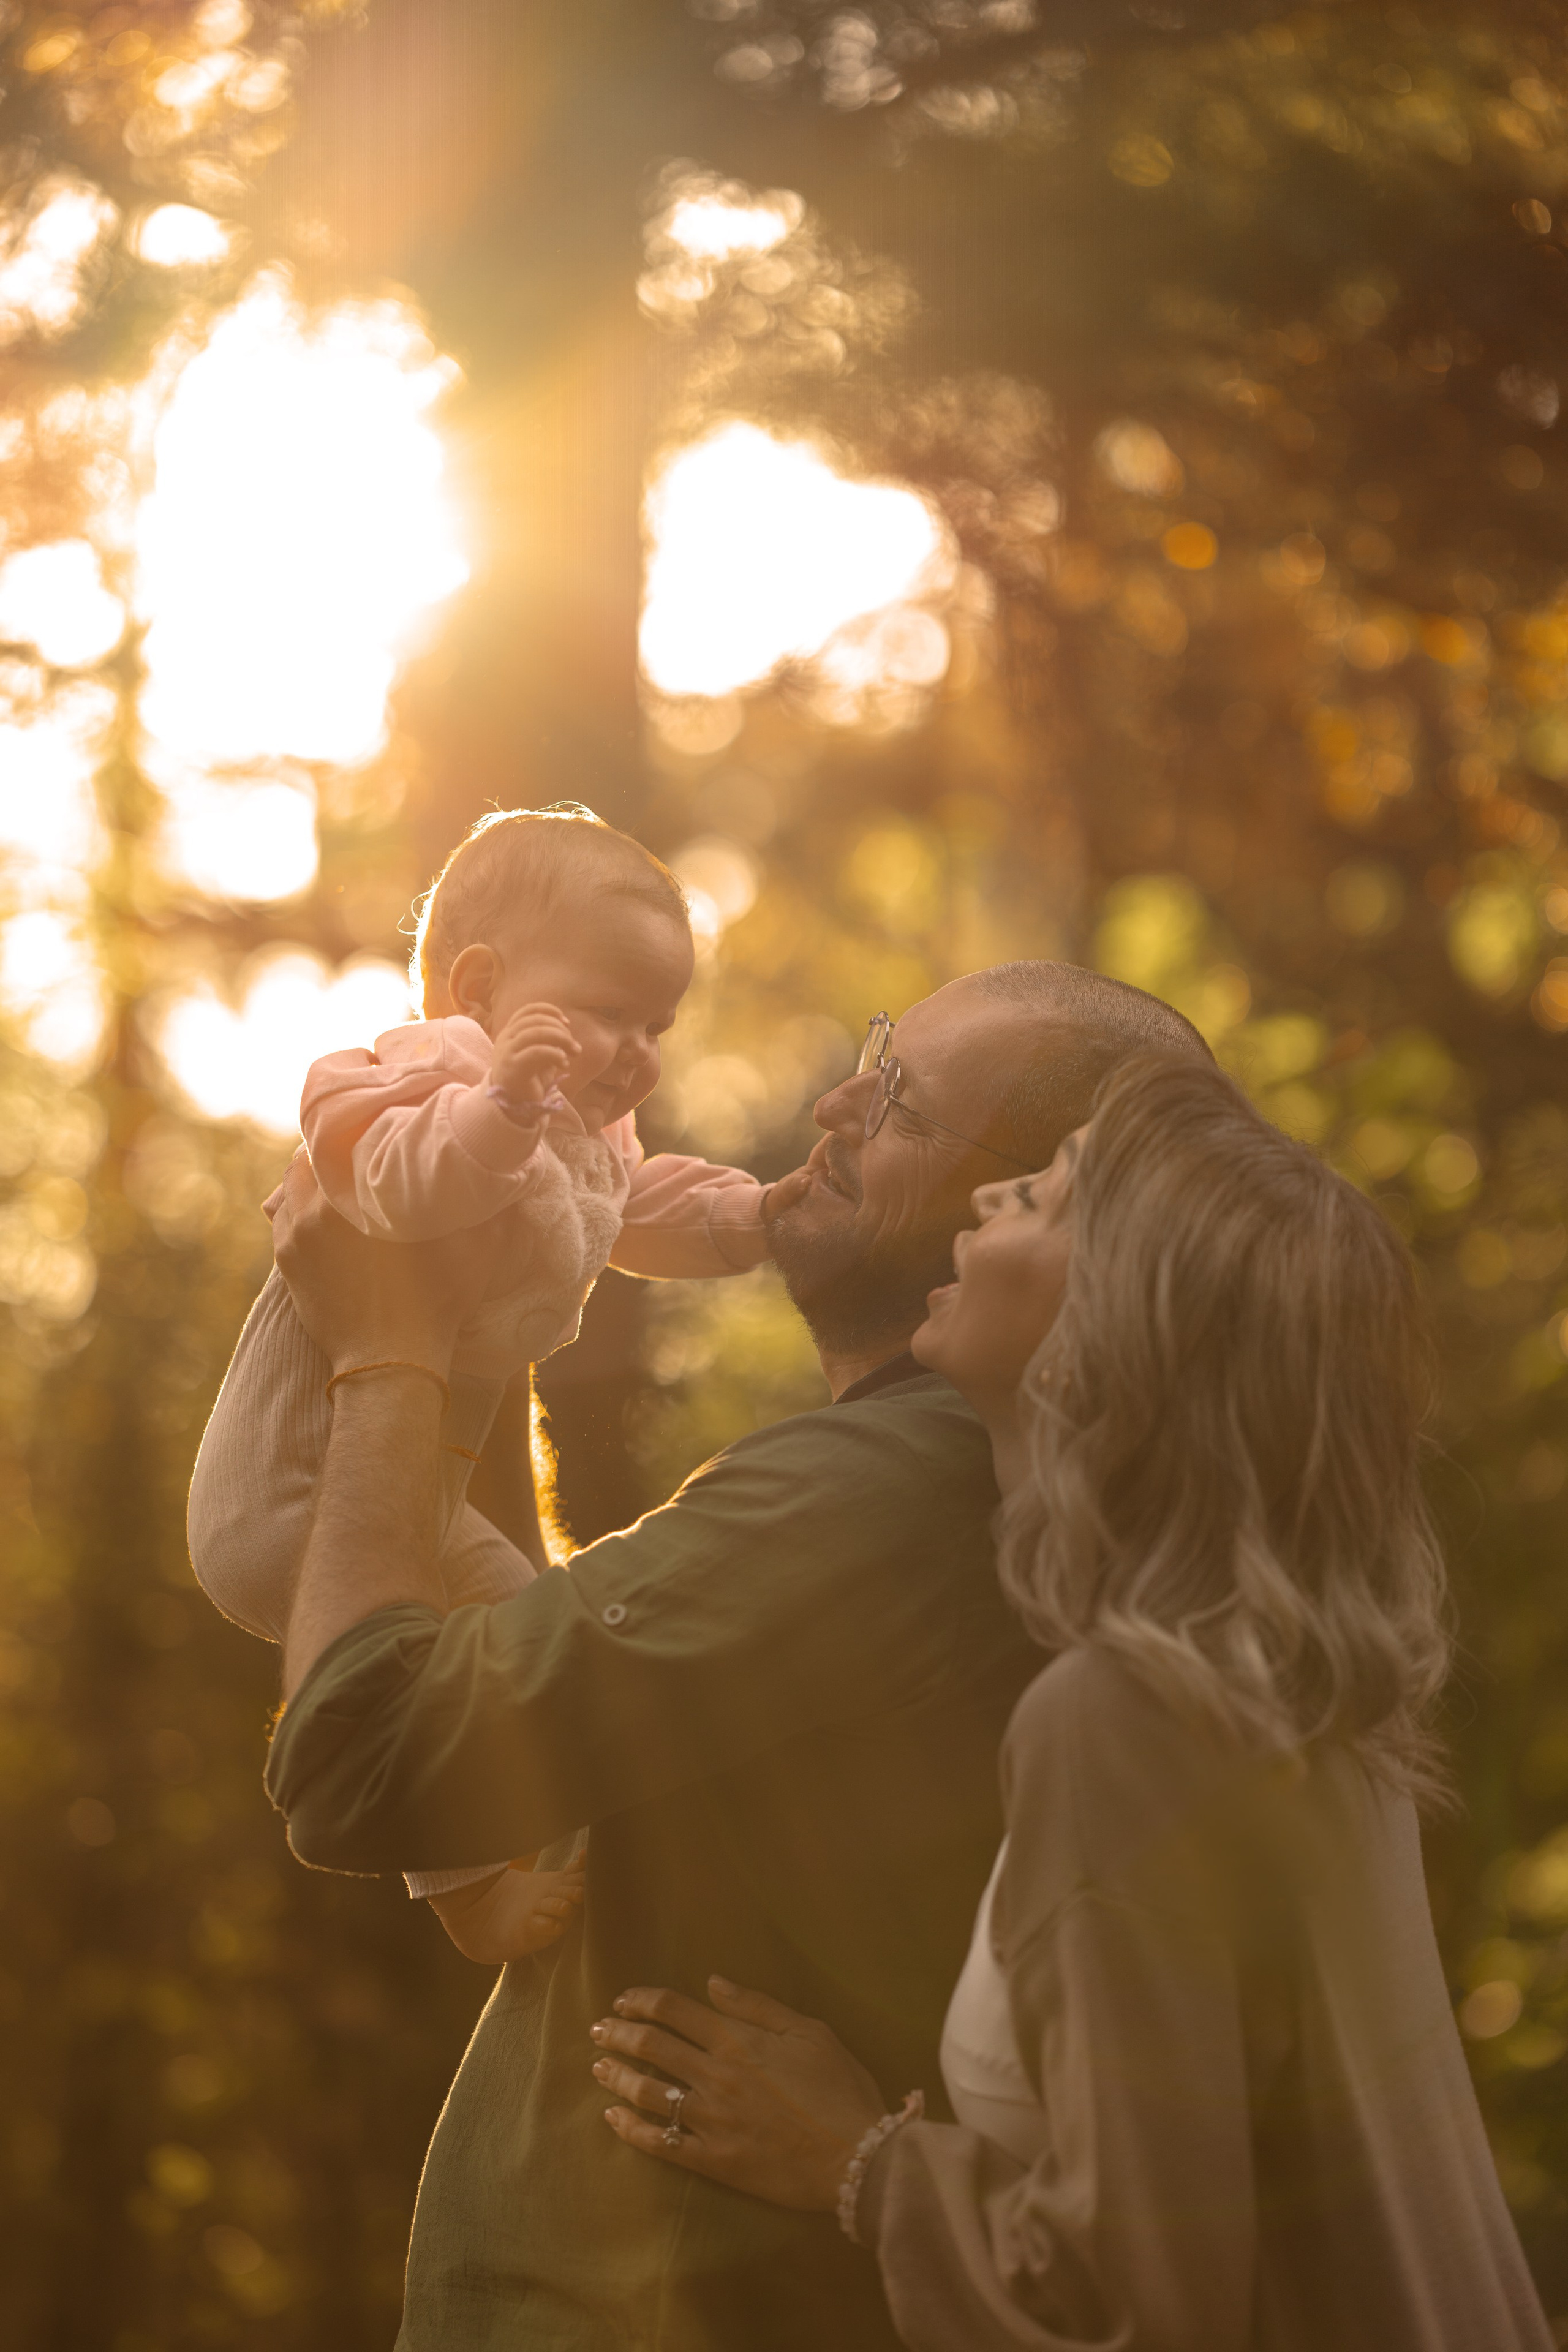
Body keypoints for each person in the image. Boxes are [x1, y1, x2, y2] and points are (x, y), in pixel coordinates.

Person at [262, 962, 1212, 2351]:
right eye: (871, 1052)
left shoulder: (883, 1493)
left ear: (1035, 1203)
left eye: (896, 1099)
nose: (835, 1100)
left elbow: (360, 1759)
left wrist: (387, 1353)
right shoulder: (1002, 1475)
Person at [590, 1055, 1555, 2352]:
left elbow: (1141, 2309)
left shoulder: (1125, 1720)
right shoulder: (1293, 1700)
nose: (986, 1196)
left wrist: (857, 2161)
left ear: (1121, 1327)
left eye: (1041, 1198)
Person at [188, 802, 774, 1936]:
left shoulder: (576, 1127)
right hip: (296, 1491)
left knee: (514, 1634)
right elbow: (409, 1186)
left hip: (393, 1486)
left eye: (659, 1023)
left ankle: (498, 1872)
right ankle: (470, 1897)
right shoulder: (415, 1073)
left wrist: (758, 1219)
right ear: (477, 989)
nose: (640, 1055)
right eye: (611, 1013)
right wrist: (503, 1105)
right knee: (523, 1638)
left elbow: (632, 1213)